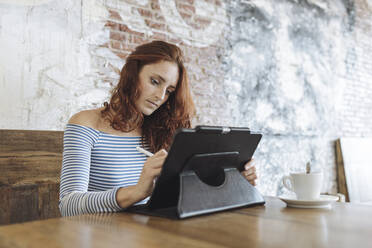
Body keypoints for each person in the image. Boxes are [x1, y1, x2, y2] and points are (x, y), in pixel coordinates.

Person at [59, 40, 257, 216]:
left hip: (151, 233)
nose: (160, 96)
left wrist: (232, 180)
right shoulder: (85, 124)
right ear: (132, 74)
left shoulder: (159, 131)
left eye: (169, 91)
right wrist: (137, 191)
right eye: (155, 82)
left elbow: (180, 197)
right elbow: (68, 204)